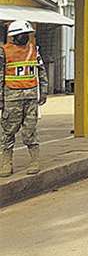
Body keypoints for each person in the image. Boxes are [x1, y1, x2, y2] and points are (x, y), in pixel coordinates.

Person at [1, 21, 48, 177]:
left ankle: (34, 161)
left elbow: (41, 72)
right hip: (11, 98)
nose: (25, 37)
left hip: (30, 97)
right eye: (22, 35)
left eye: (27, 34)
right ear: (14, 36)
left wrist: (43, 92)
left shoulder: (34, 50)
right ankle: (6, 163)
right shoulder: (4, 52)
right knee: (8, 131)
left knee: (30, 131)